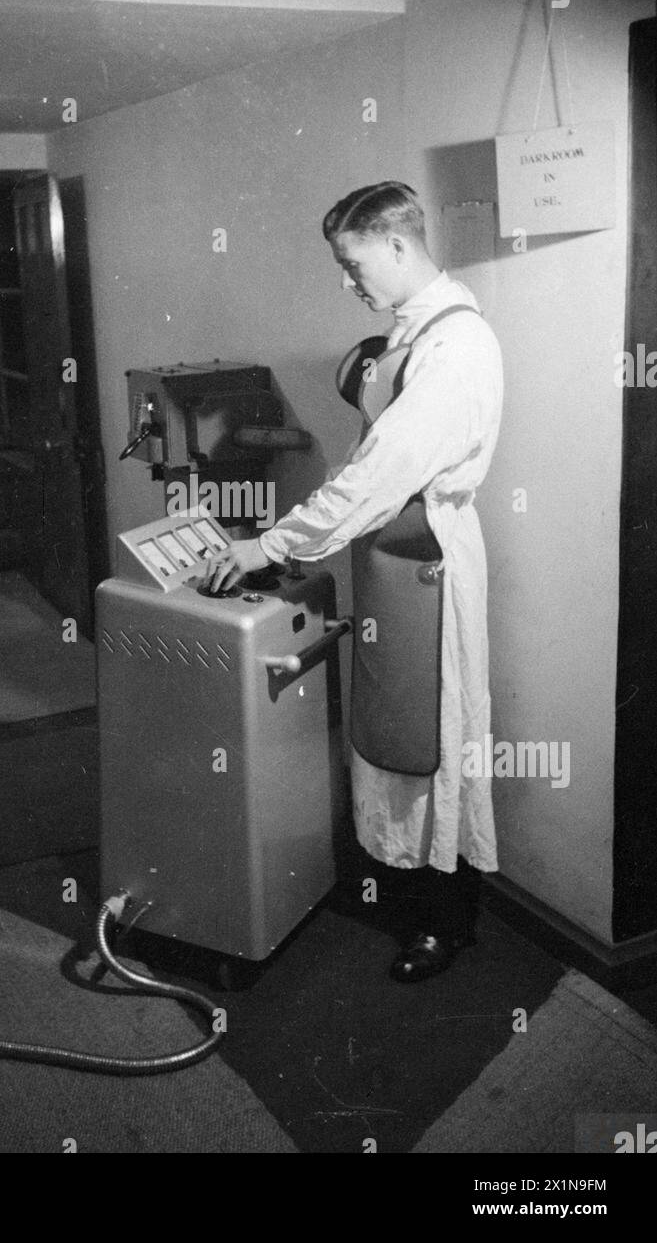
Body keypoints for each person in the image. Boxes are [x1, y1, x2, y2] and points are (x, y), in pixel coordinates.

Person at [206, 182, 504, 982]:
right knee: (386, 727)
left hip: (424, 562)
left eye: (352, 262)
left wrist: (270, 543)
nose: (346, 282)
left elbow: (380, 473)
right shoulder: (409, 331)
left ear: (398, 245)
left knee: (428, 734)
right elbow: (366, 460)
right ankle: (402, 886)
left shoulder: (454, 345)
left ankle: (447, 921)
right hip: (384, 552)